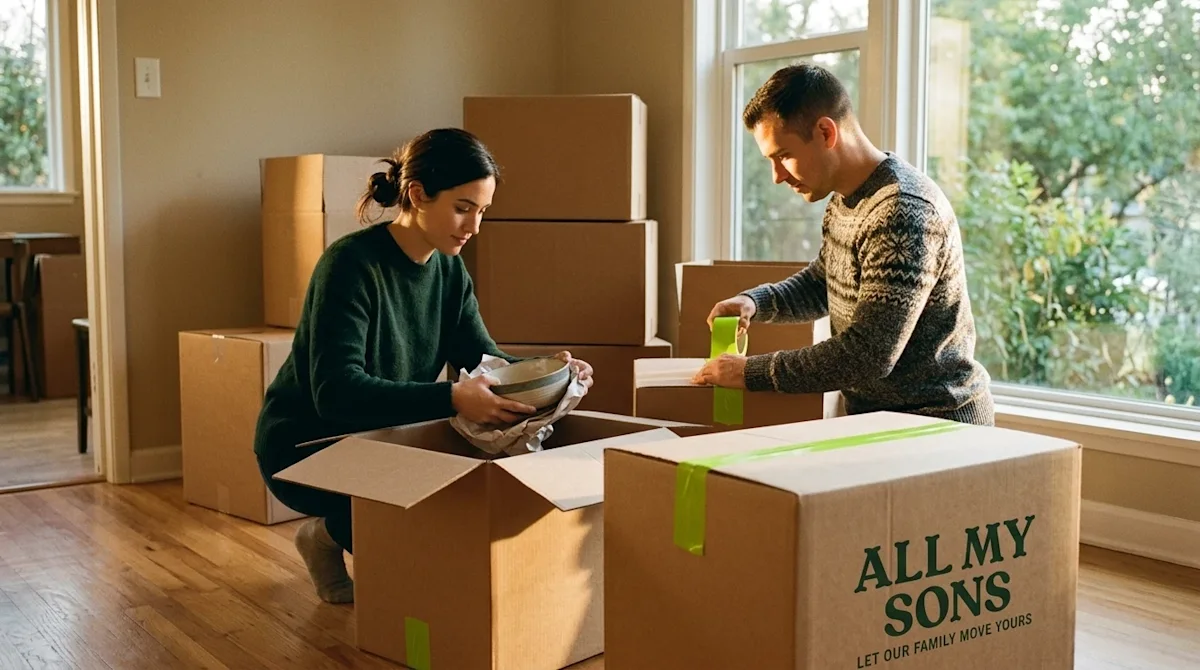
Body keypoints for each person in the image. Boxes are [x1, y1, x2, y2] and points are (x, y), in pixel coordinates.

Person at [254, 128, 593, 604]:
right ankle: (333, 530)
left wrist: (550, 373)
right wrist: (452, 396)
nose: (473, 226)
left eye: (482, 211)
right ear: (417, 194)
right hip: (306, 446)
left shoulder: (449, 270)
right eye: (462, 207)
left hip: (385, 437)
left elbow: (483, 360)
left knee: (453, 523)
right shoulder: (349, 265)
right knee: (427, 551)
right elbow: (336, 393)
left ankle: (329, 535)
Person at [695, 64, 993, 426]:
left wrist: (750, 372)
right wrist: (755, 302)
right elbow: (823, 283)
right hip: (882, 423)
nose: (777, 176)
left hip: (938, 425)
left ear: (825, 131)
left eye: (783, 155)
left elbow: (868, 354)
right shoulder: (844, 200)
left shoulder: (902, 210)